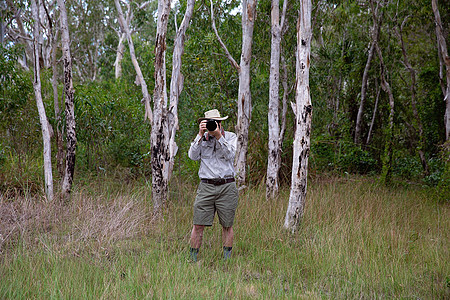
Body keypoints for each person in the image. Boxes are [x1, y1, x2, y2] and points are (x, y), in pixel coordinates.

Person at [188, 109, 238, 262]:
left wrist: (218, 136)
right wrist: (200, 135)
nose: (213, 125)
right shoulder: (201, 139)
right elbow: (192, 156)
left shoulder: (230, 137)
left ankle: (227, 260)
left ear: (221, 123)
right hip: (206, 186)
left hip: (227, 186)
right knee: (198, 224)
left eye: (216, 122)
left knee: (227, 225)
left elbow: (230, 155)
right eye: (210, 122)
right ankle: (192, 260)